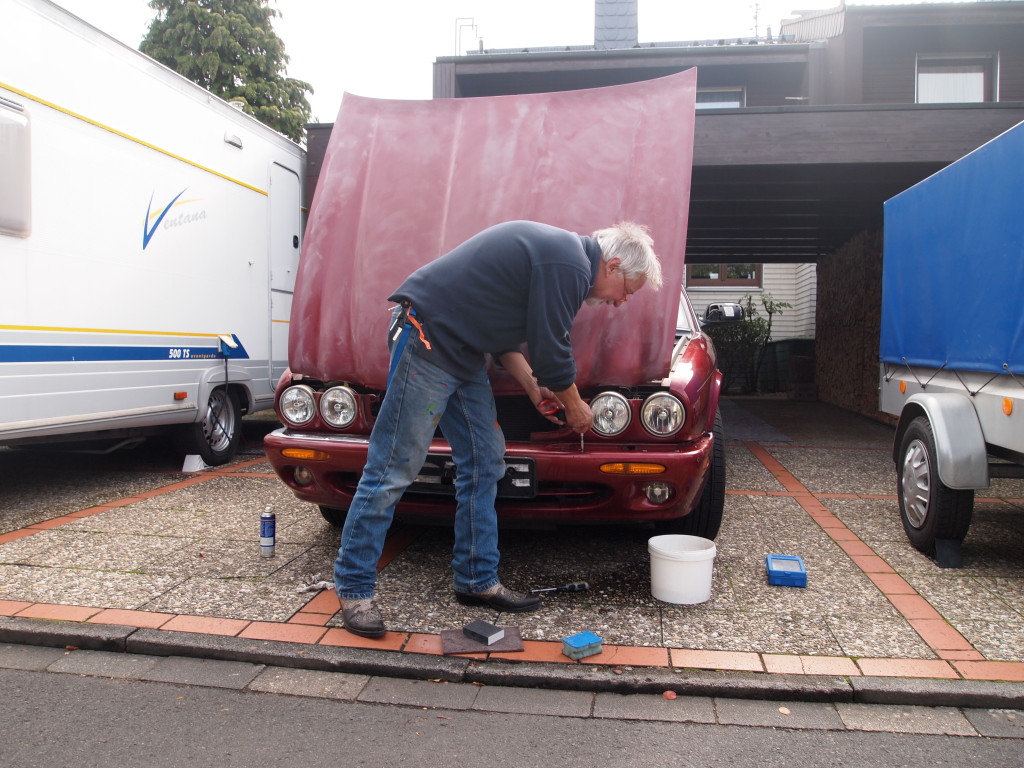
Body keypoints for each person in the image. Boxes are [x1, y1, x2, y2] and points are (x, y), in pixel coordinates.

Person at [334, 219, 663, 637]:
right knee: (393, 468)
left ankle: (476, 579)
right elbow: (551, 349)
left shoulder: (562, 259)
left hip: (462, 350)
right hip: (427, 340)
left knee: (485, 459)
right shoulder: (570, 263)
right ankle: (355, 588)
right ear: (613, 265)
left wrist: (531, 386)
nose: (620, 303)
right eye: (626, 292)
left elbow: (504, 333)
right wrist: (575, 406)